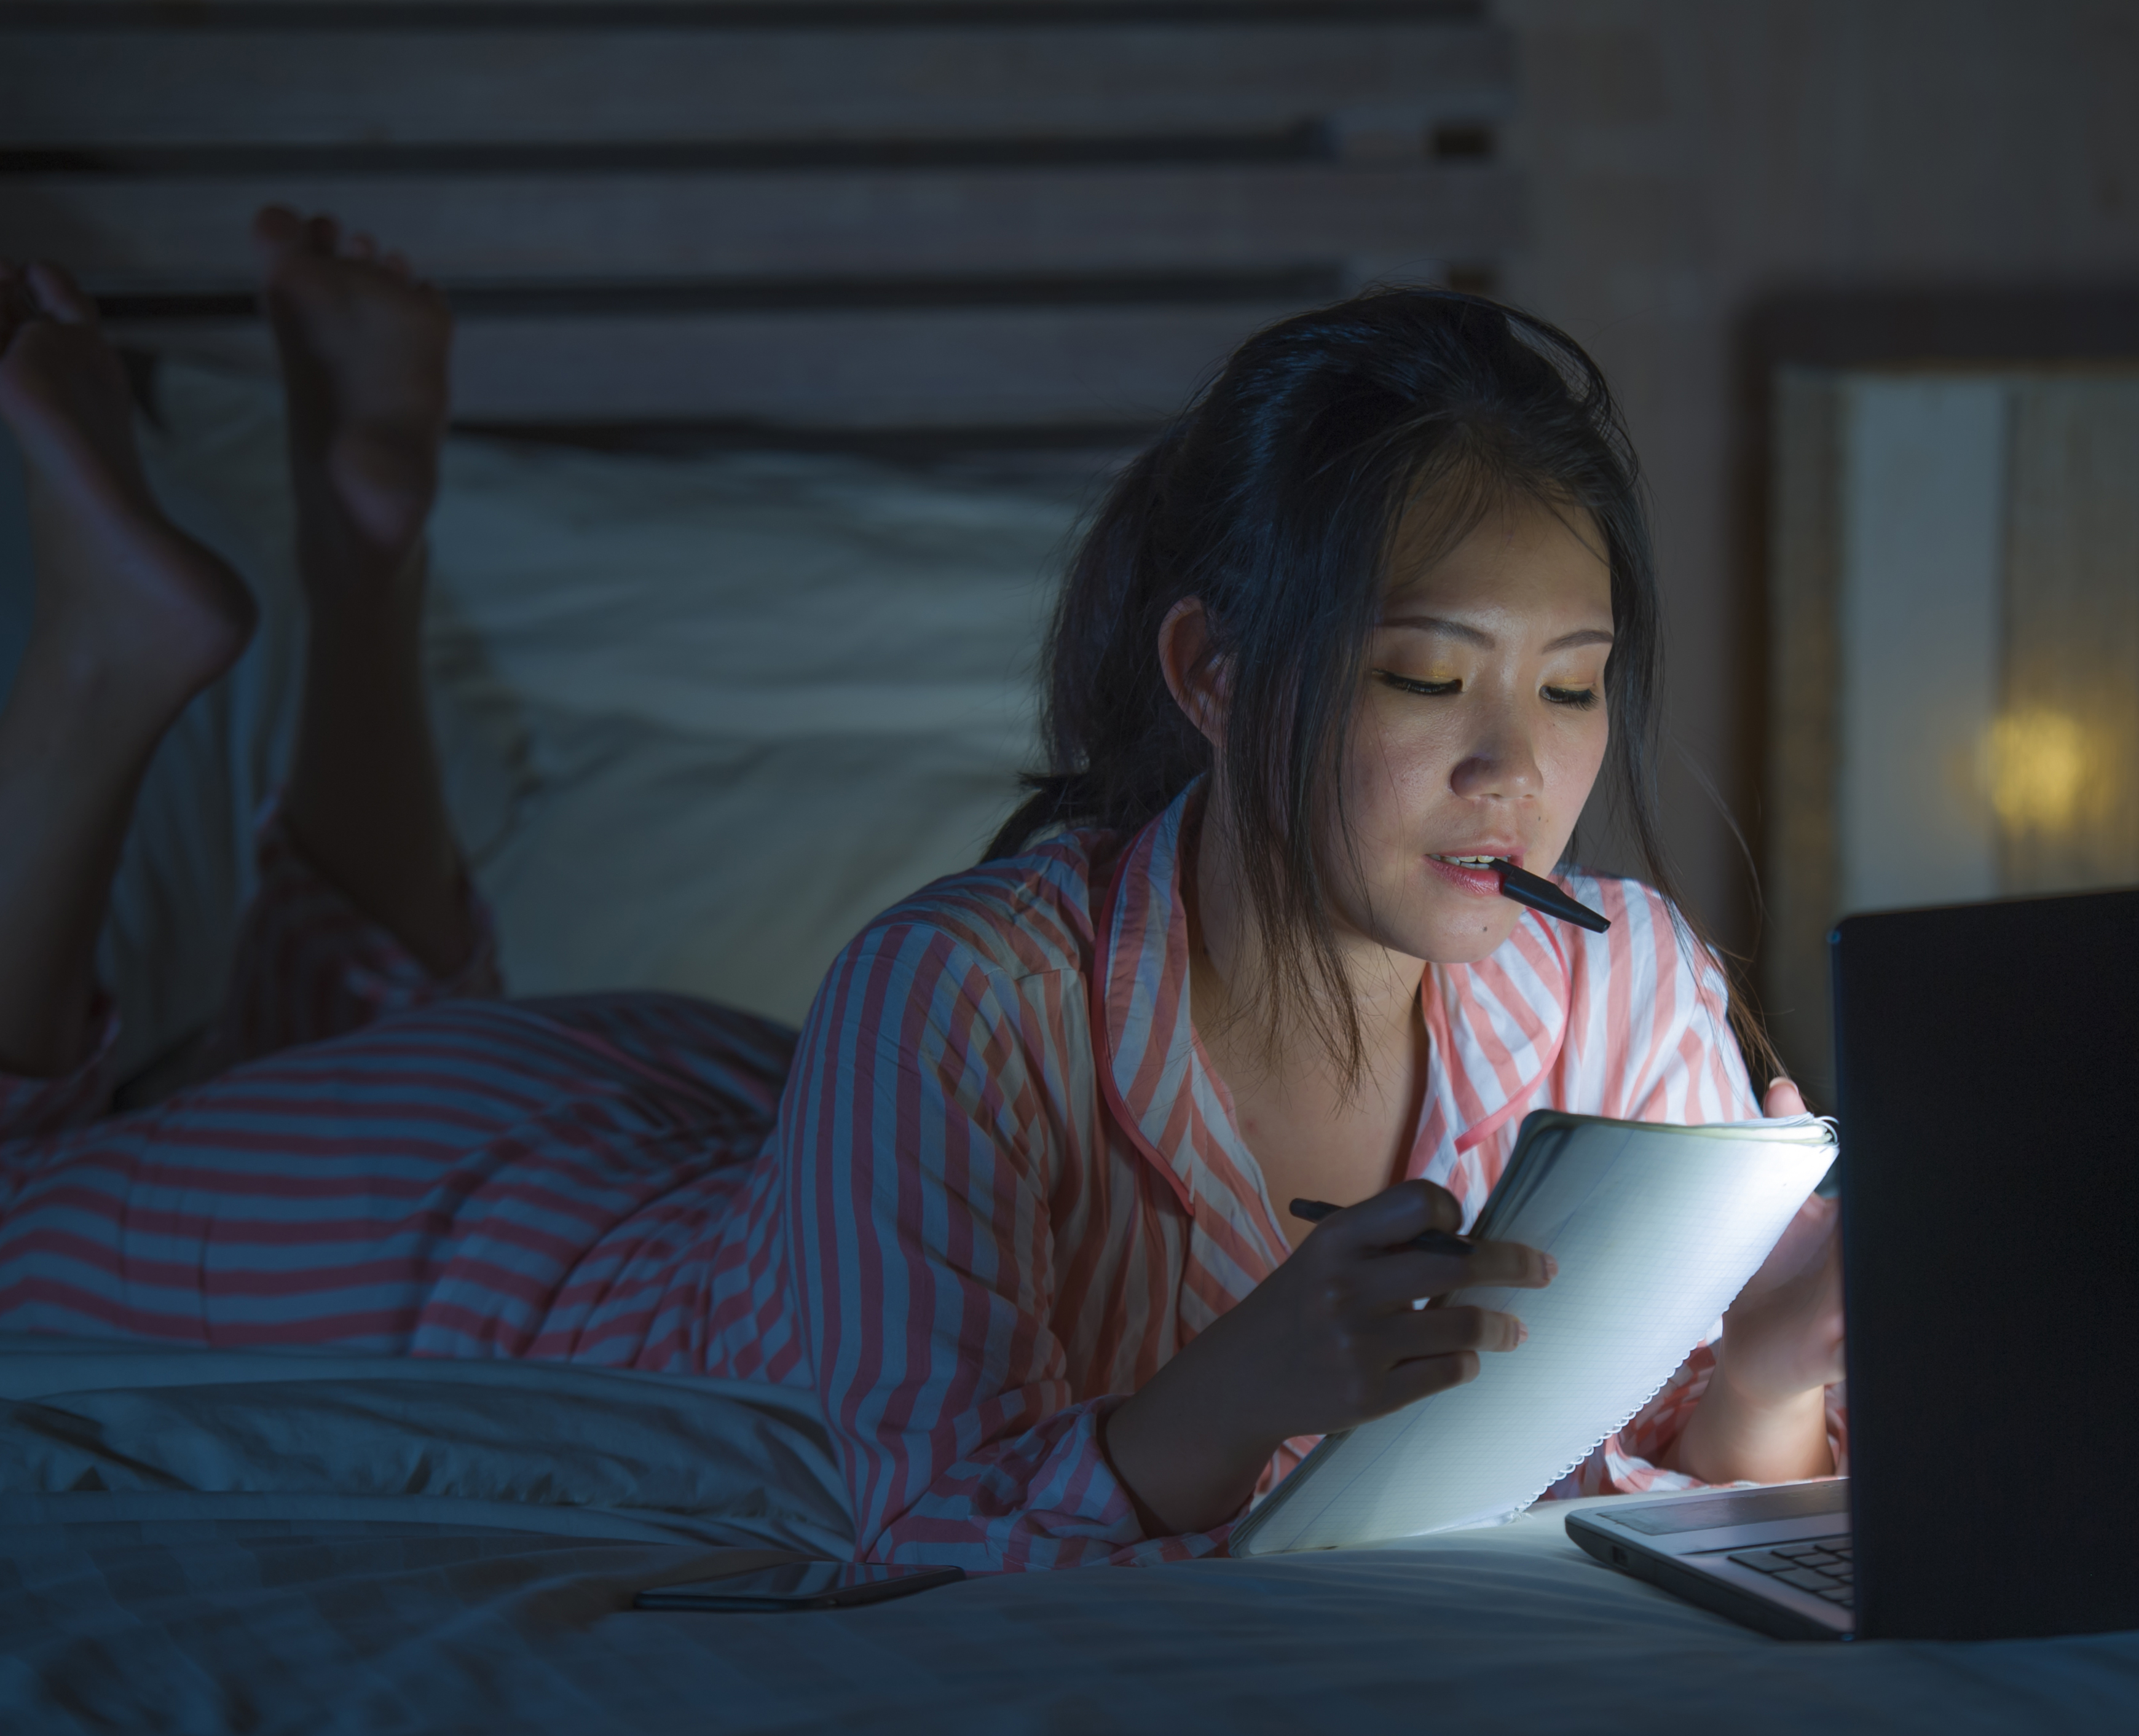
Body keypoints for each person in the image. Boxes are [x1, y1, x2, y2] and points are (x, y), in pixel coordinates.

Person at [0, 211, 1843, 1569]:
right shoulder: (962, 996)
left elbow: (1671, 1480)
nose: (1514, 765)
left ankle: (360, 537)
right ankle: (112, 649)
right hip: (511, 1247)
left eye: (1575, 683)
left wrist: (1768, 1365)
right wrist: (1232, 1391)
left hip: (744, 1136)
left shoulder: (1618, 986)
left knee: (362, 998)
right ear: (1212, 676)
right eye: (1429, 679)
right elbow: (896, 1537)